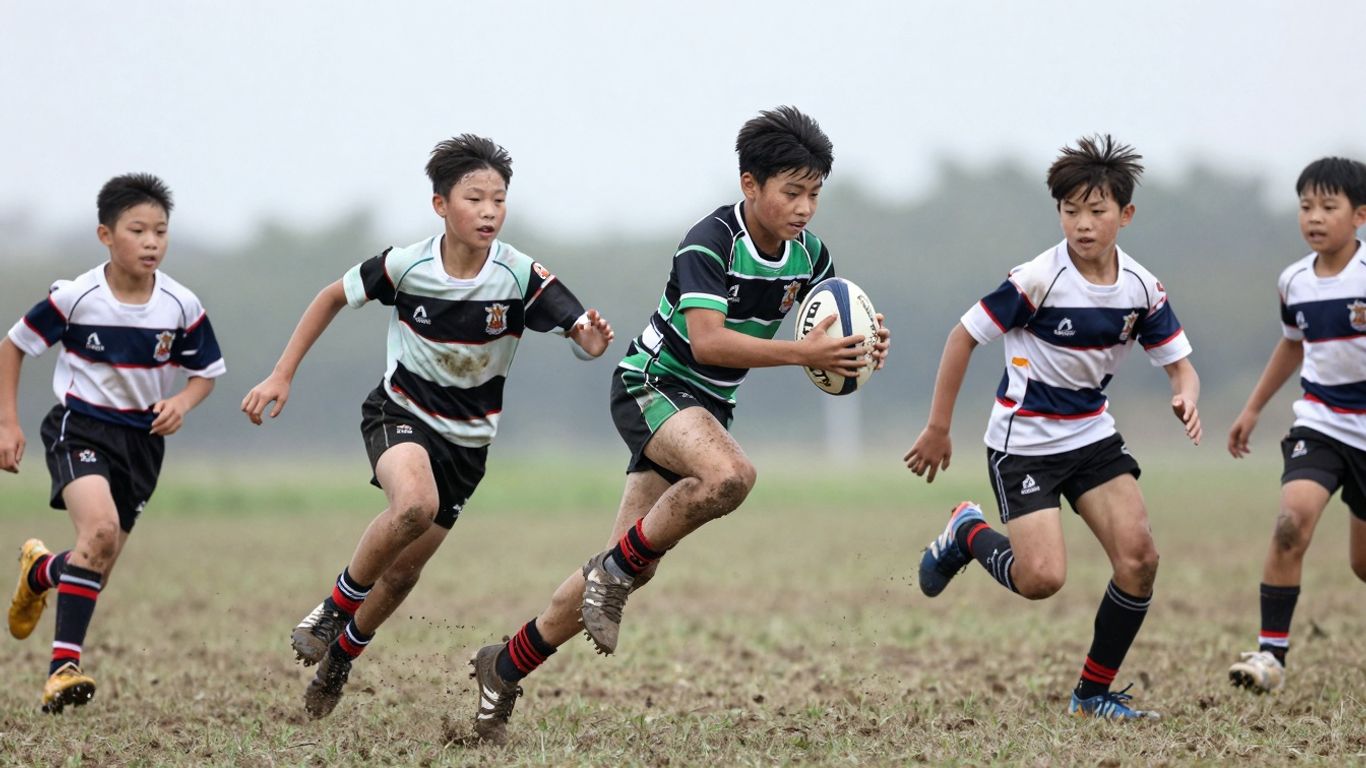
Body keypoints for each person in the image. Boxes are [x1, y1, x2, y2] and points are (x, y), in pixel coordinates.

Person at [468, 105, 890, 745]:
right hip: (653, 384)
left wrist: (865, 343)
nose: (805, 208)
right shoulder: (710, 241)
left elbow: (832, 319)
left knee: (630, 566)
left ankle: (503, 666)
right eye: (791, 192)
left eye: (814, 194)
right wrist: (806, 354)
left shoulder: (810, 254)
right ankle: (611, 574)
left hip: (704, 409)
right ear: (750, 184)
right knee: (731, 476)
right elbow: (710, 343)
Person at [240, 134, 614, 719]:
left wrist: (591, 340)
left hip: (468, 444)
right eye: (475, 198)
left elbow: (582, 332)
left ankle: (341, 656)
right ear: (441, 205)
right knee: (412, 506)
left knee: (404, 572)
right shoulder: (404, 265)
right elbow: (329, 297)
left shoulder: (520, 275)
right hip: (400, 413)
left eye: (498, 199)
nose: (489, 211)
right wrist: (281, 374)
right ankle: (335, 605)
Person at [905, 135, 1201, 720]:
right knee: (1042, 580)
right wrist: (939, 427)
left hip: (1092, 437)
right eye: (1071, 212)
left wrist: (1184, 396)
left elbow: (1181, 366)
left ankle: (1091, 695)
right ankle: (967, 534)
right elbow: (963, 335)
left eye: (1097, 211)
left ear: (1125, 214)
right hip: (1024, 445)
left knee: (1139, 559)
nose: (1084, 225)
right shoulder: (1035, 281)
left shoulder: (1141, 288)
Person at [2, 173, 226, 713]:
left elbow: (205, 374)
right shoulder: (76, 298)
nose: (151, 242)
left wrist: (182, 404)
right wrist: (7, 423)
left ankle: (39, 572)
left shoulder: (180, 304)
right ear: (106, 235)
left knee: (95, 562)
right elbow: (13, 347)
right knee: (98, 532)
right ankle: (62, 672)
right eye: (138, 230)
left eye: (161, 232)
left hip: (143, 442)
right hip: (79, 427)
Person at [1226, 157, 1366, 694]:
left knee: (1363, 565)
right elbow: (1292, 344)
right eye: (1306, 206)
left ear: (1358, 216)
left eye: (1329, 207)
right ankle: (1270, 656)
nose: (1315, 217)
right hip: (1321, 423)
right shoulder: (1293, 281)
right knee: (1291, 522)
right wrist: (1254, 407)